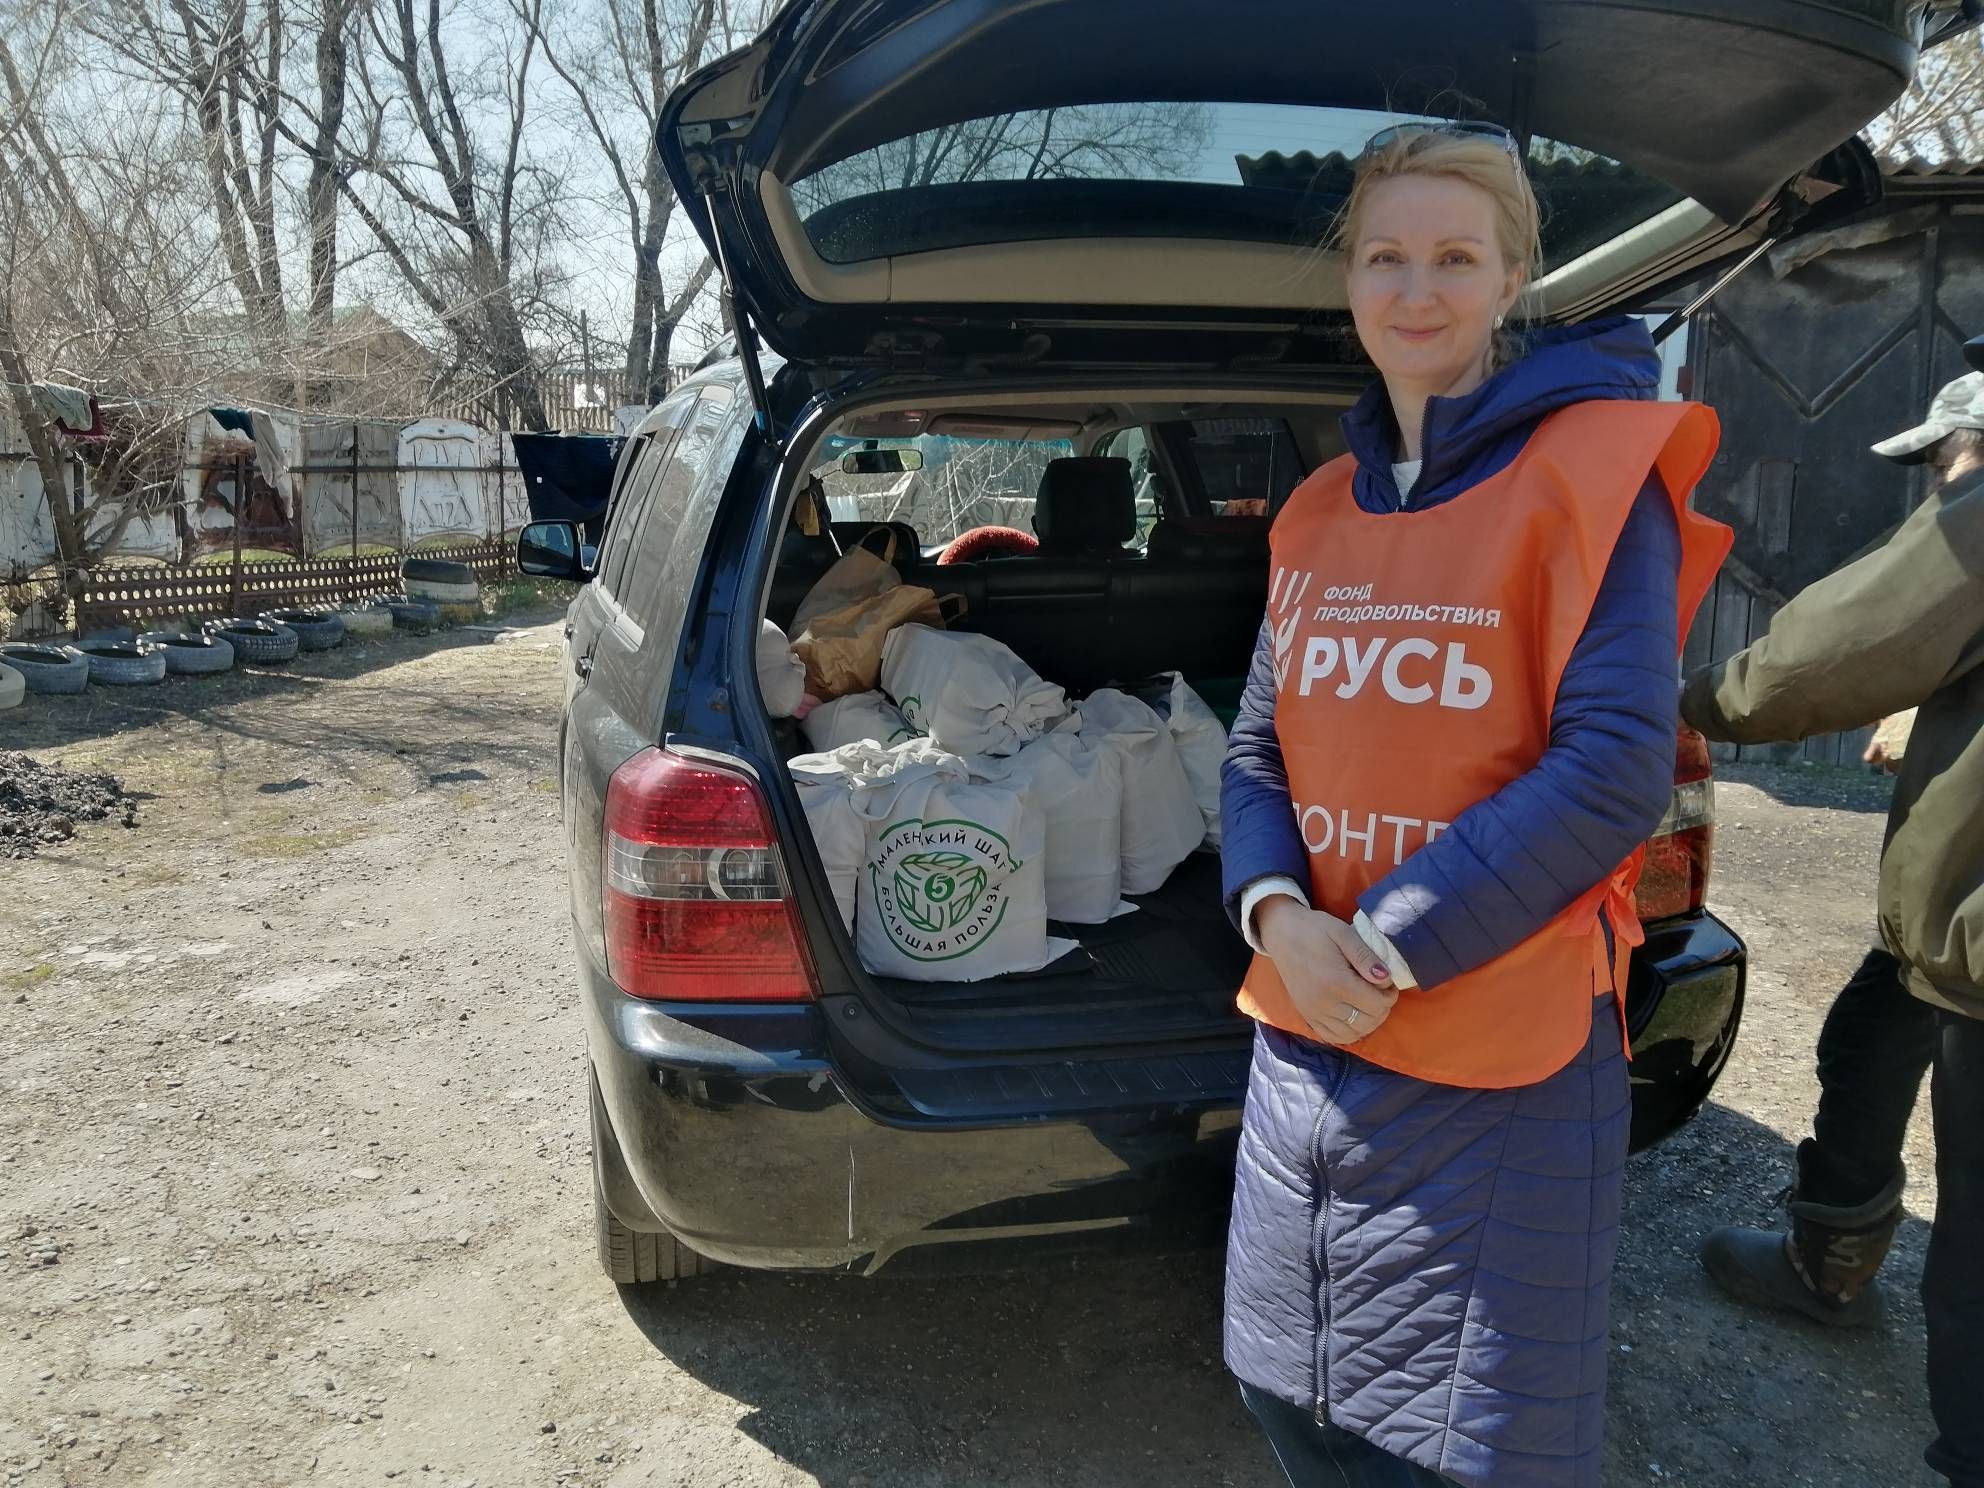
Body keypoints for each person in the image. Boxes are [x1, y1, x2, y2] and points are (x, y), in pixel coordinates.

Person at [1219, 121, 1733, 1488]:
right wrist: (1274, 916)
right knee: (1288, 1403)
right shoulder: (1316, 510)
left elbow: (1613, 764)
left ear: (1511, 279)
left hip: (1495, 1056)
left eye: (1455, 257)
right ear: (1349, 280)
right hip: (1305, 1046)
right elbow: (1257, 752)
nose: (1415, 289)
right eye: (1384, 257)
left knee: (1465, 1453)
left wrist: (1381, 945)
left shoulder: (1595, 475)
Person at [1679, 355, 1984, 1488]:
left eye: (1944, 467)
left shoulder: (1981, 510)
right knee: (1873, 1025)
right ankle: (1833, 1268)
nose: (1939, 489)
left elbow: (1834, 649)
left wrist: (1675, 705)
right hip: (1955, 928)